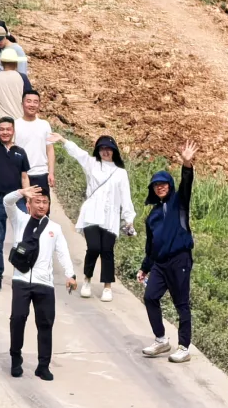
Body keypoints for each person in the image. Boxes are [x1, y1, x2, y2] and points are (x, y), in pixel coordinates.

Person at [4, 185, 77, 380]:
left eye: (45, 202)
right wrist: (21, 192)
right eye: (38, 201)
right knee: (17, 319)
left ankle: (43, 366)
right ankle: (15, 359)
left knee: (45, 324)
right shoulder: (20, 219)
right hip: (21, 280)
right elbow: (7, 202)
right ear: (29, 204)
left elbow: (62, 251)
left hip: (44, 284)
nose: (42, 205)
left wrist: (70, 274)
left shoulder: (54, 228)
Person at [54, 132, 136, 301]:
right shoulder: (91, 164)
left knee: (107, 250)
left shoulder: (120, 173)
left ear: (114, 151)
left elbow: (125, 197)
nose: (105, 152)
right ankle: (87, 280)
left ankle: (107, 286)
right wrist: (63, 140)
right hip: (91, 214)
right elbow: (78, 153)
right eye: (102, 148)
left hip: (110, 217)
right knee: (93, 248)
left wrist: (129, 219)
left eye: (109, 149)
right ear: (98, 151)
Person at [138, 140, 199, 364]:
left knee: (181, 303)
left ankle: (184, 346)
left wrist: (187, 163)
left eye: (164, 184)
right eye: (156, 185)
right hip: (161, 264)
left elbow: (187, 184)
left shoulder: (178, 203)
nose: (160, 187)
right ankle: (161, 339)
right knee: (150, 296)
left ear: (170, 186)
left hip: (180, 259)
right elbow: (151, 247)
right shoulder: (152, 216)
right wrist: (145, 268)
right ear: (152, 190)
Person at [0, 114, 29, 291]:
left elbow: (24, 176)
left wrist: (28, 199)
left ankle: (22, 274)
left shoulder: (20, 152)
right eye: (1, 129)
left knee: (23, 240)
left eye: (8, 129)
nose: (5, 132)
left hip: (17, 201)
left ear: (13, 131)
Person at [13, 91, 54, 201]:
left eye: (35, 102)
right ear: (22, 104)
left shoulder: (44, 125)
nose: (32, 105)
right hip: (21, 176)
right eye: (28, 101)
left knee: (42, 211)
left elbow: (50, 149)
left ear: (39, 105)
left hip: (41, 174)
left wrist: (51, 173)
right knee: (22, 212)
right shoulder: (15, 125)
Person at [0, 48, 32, 122]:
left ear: (2, 63)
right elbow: (30, 99)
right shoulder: (22, 78)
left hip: (0, 122)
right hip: (19, 121)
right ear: (16, 63)